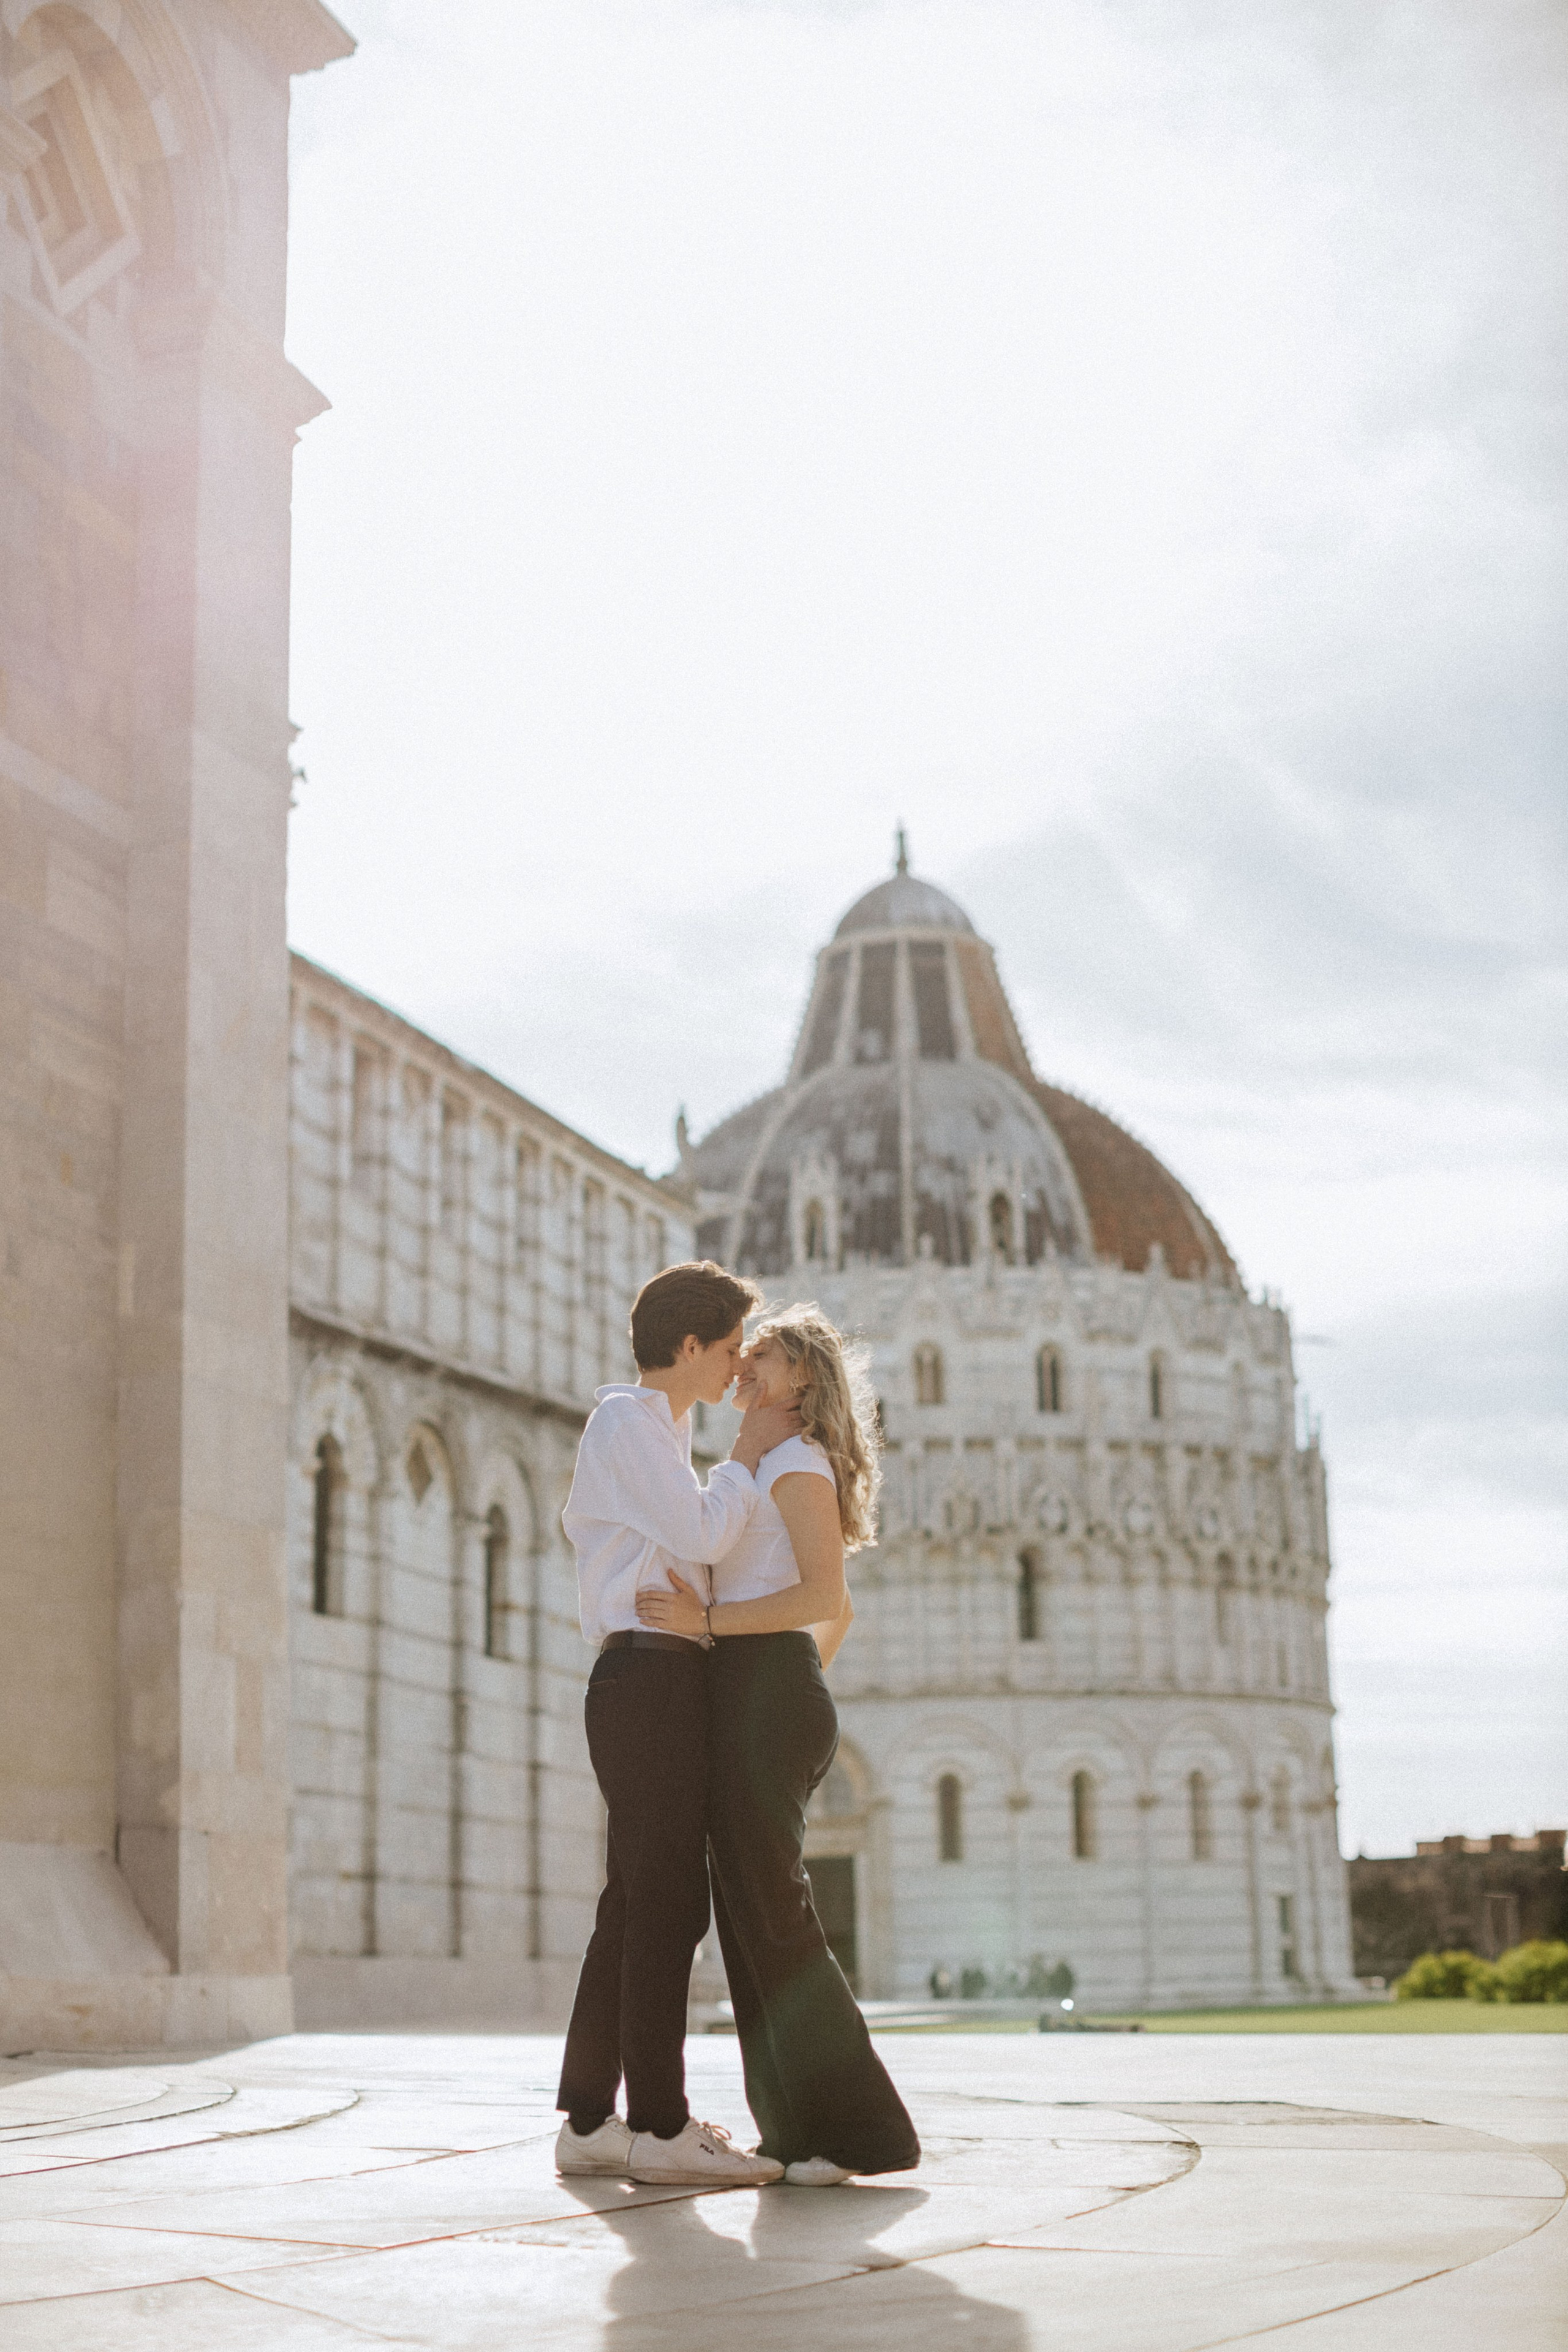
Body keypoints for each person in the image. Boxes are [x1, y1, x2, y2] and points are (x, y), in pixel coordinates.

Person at [637, 1303, 921, 2185]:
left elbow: (823, 1598)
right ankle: (794, 2131)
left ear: (802, 1379)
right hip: (752, 1696)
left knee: (776, 1916)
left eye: (764, 1354)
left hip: (764, 1693)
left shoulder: (799, 1462)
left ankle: (860, 2134)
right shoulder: (755, 1465)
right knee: (750, 1921)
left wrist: (737, 1643)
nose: (744, 1363)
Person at [553, 1262, 801, 2188]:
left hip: (651, 1679)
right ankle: (659, 2128)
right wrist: (748, 1451)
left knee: (634, 1902)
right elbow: (701, 1537)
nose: (740, 1365)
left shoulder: (659, 1431)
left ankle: (588, 2121)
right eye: (733, 1347)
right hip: (647, 1681)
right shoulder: (629, 1422)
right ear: (690, 1346)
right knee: (665, 1903)